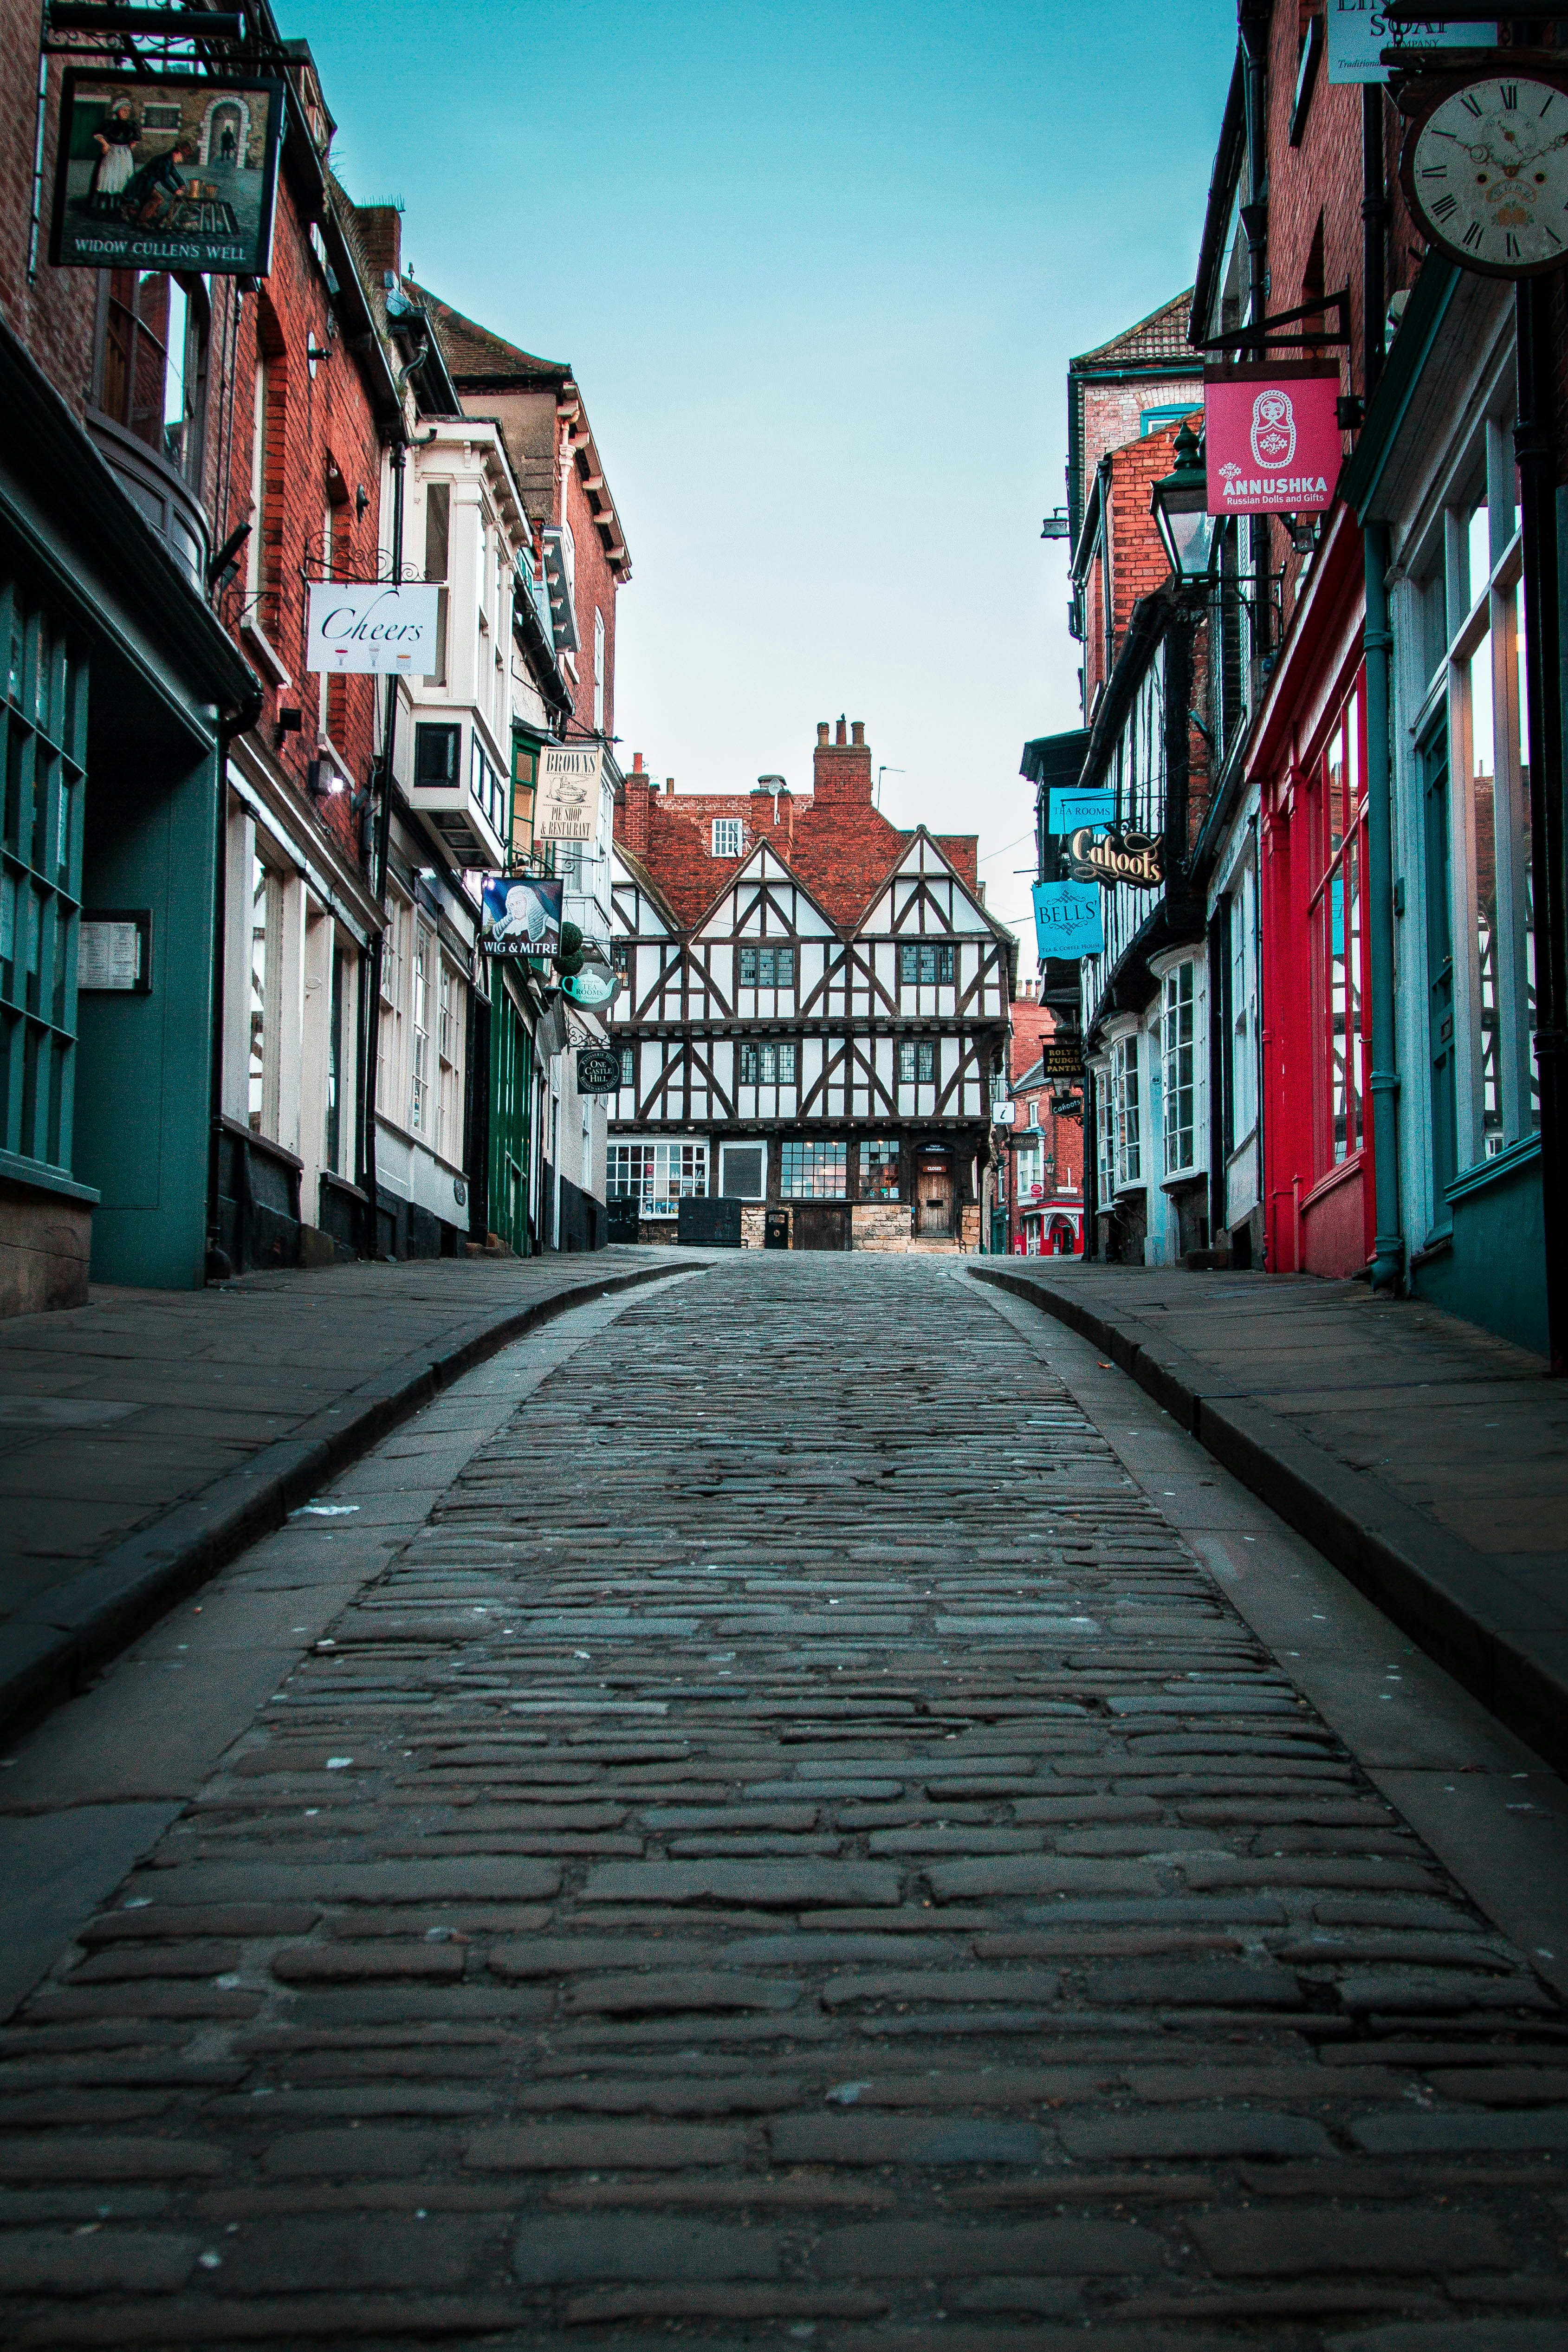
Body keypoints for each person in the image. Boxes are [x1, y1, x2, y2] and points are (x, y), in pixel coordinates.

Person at [121, 136, 196, 230]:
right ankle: (141, 221)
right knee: (157, 200)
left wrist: (182, 184)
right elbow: (164, 180)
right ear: (177, 153)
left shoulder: (168, 160)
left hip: (146, 184)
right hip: (141, 185)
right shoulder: (164, 161)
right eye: (182, 157)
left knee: (153, 212)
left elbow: (174, 173)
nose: (181, 160)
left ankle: (132, 211)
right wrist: (175, 190)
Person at [88, 99, 138, 215]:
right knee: (110, 178)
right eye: (124, 110)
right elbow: (97, 134)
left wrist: (131, 147)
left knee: (125, 178)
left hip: (125, 154)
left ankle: (121, 205)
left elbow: (136, 139)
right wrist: (105, 144)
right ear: (117, 111)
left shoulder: (132, 125)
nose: (126, 112)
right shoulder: (110, 124)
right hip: (113, 152)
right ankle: (106, 206)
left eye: (128, 110)